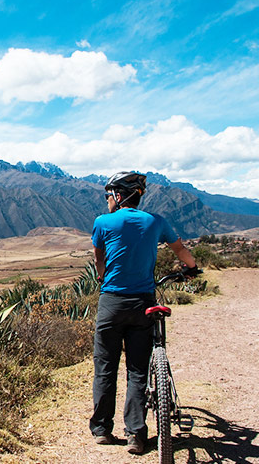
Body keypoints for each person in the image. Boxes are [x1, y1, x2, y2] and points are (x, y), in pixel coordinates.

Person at [89, 171, 197, 454]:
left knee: (105, 367)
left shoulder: (102, 223)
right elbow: (180, 249)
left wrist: (103, 278)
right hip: (143, 304)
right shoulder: (155, 222)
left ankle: (101, 429)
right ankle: (136, 435)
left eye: (109, 195)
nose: (107, 200)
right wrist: (193, 268)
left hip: (111, 303)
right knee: (138, 371)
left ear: (120, 195)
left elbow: (99, 260)